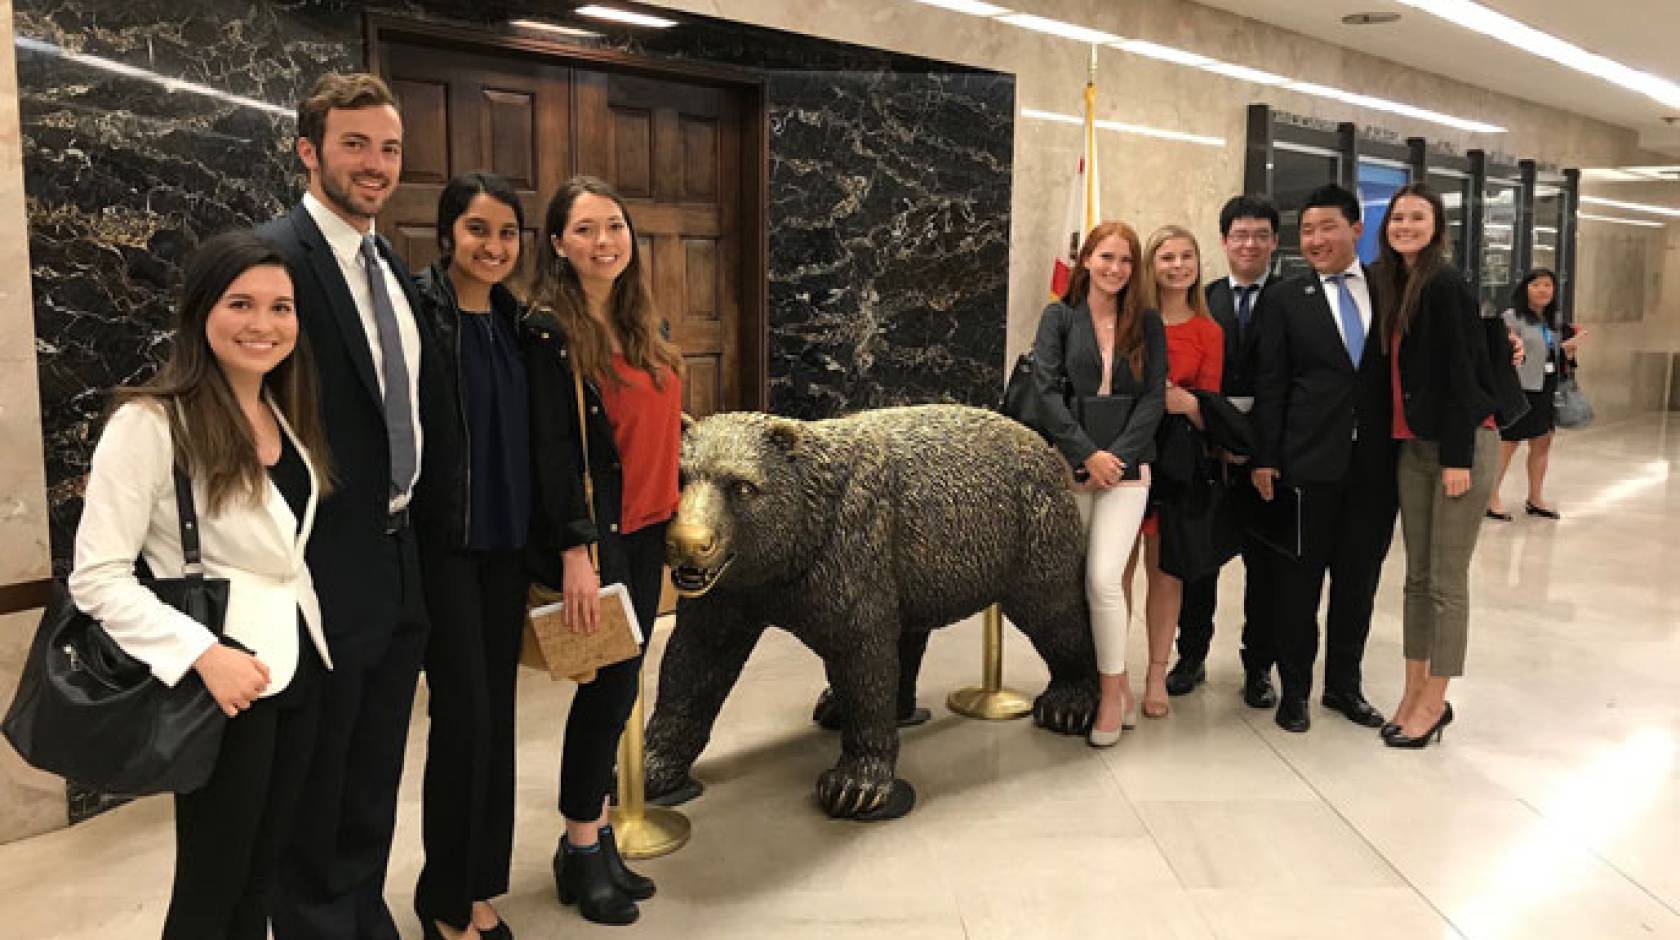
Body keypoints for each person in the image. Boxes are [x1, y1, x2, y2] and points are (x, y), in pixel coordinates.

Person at [68, 230, 333, 938]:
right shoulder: (150, 421)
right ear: (199, 313)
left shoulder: (280, 412)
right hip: (220, 680)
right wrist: (201, 653)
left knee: (262, 875)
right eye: (240, 303)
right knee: (213, 887)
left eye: (281, 307)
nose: (263, 324)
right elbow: (96, 577)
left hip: (296, 667)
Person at [258, 72, 439, 940]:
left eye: (390, 148)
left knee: (373, 770)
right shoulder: (274, 260)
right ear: (308, 150)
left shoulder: (388, 263)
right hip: (321, 564)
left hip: (400, 559)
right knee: (318, 779)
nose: (375, 164)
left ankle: (363, 916)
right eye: (355, 144)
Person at [523, 176, 684, 925]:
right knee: (606, 693)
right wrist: (575, 550)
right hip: (602, 539)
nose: (604, 242)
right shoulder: (549, 333)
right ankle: (583, 845)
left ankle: (590, 841)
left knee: (621, 691)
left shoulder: (641, 321)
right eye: (584, 230)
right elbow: (550, 453)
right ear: (557, 243)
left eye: (614, 226)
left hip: (648, 530)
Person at [410, 172, 530, 940]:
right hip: (445, 548)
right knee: (462, 722)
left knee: (498, 724)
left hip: (508, 550)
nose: (493, 246)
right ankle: (445, 900)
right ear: (449, 232)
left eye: (508, 233)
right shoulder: (422, 315)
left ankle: (480, 883)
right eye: (479, 230)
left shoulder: (521, 324)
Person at [1251, 184, 1395, 734]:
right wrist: (1265, 457)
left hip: (1375, 468)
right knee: (1298, 585)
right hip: (1306, 464)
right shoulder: (1287, 298)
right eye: (1306, 231)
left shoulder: (1389, 291)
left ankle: (1344, 687)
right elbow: (1272, 384)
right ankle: (1296, 691)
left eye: (1326, 228)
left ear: (1357, 229)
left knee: (1358, 582)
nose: (1314, 240)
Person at [1374, 183, 1501, 748]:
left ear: (1436, 225)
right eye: (1398, 217)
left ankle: (1436, 700)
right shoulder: (1396, 282)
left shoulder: (1445, 283)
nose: (1405, 225)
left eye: (1417, 218)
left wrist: (1457, 457)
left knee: (1446, 582)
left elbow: (1462, 374)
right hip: (1413, 446)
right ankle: (1411, 688)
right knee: (1415, 578)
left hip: (1460, 445)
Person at [1031, 221, 1167, 747]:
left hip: (1130, 471)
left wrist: (1116, 459)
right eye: (1107, 257)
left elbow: (1153, 398)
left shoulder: (1147, 322)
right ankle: (1105, 681)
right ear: (1086, 259)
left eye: (1126, 260)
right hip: (1073, 468)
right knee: (1075, 585)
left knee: (1106, 580)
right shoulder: (1059, 317)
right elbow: (1045, 392)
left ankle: (1111, 692)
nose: (1116, 268)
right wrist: (1086, 454)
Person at [1168, 196, 1281, 709]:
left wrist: (1257, 449)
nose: (1250, 244)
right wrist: (1219, 437)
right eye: (1240, 234)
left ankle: (1258, 667)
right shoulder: (1203, 299)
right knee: (1200, 561)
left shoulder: (1292, 299)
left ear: (1275, 242)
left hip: (1268, 454)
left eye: (1261, 234)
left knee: (1266, 568)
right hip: (1207, 453)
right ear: (1224, 241)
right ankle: (1190, 655)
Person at [1127, 225, 1223, 719]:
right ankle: (1112, 675)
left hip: (1176, 467)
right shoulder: (1130, 323)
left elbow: (1213, 413)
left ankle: (1156, 674)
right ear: (1151, 265)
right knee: (1114, 574)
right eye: (1167, 256)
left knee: (1165, 574)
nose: (1178, 265)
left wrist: (1185, 403)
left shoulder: (1209, 332)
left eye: (1187, 256)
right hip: (1126, 457)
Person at [1490, 267, 1582, 521]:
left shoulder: (1554, 320)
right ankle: (1491, 497)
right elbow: (1503, 354)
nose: (1543, 291)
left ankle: (1535, 497)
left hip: (1546, 388)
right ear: (1525, 289)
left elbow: (1555, 355)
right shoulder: (1512, 318)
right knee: (1508, 443)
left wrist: (1568, 352)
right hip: (1520, 389)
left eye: (1548, 286)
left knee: (1542, 442)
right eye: (1536, 285)